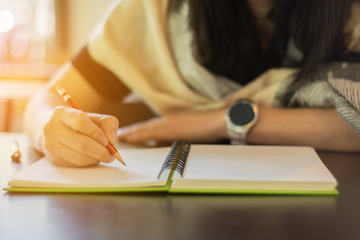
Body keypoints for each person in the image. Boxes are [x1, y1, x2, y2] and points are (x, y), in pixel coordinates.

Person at [24, 0, 360, 167]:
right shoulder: (155, 13)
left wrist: (218, 122)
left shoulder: (349, 16)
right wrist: (48, 130)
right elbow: (47, 100)